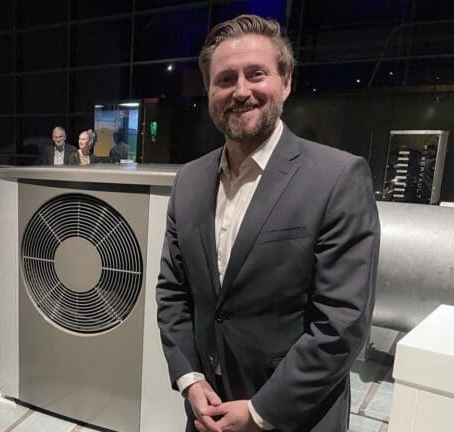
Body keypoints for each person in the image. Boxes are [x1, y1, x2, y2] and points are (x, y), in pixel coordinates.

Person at [156, 15, 380, 432]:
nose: (240, 91)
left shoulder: (337, 178)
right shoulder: (188, 181)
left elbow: (342, 323)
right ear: (208, 92)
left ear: (286, 82)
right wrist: (189, 378)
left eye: (256, 74)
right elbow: (174, 292)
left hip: (294, 417)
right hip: (208, 413)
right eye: (225, 79)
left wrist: (261, 411)